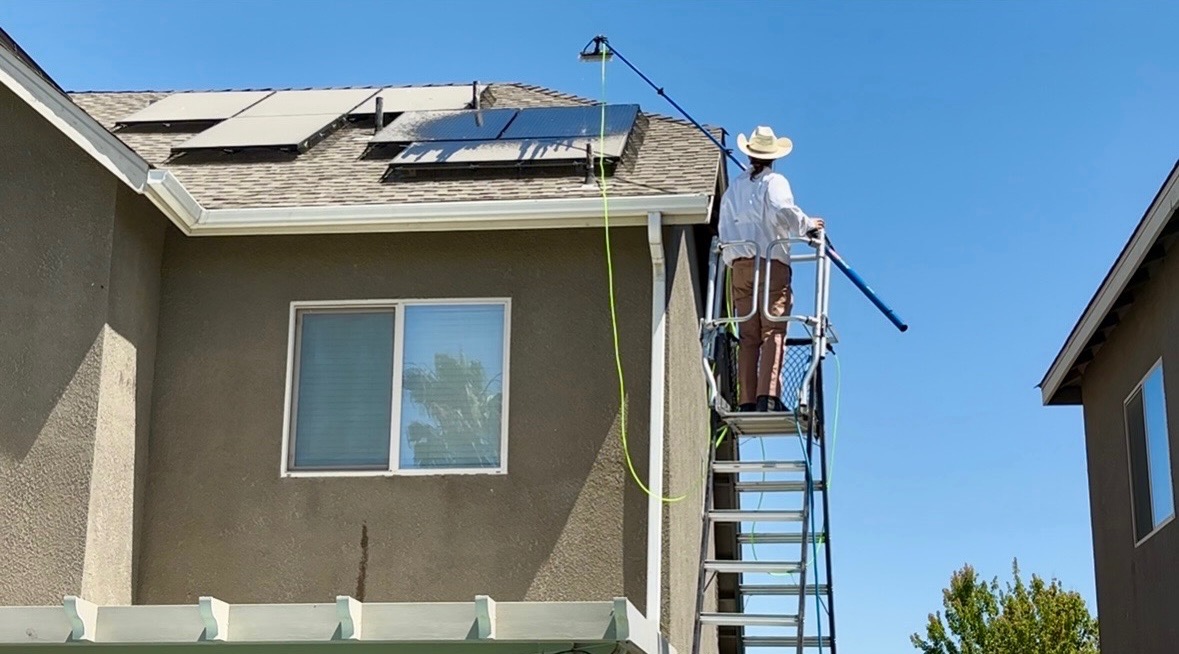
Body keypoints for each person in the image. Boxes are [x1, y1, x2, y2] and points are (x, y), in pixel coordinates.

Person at [718, 125, 825, 412]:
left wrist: (733, 258)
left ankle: (747, 400)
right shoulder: (774, 181)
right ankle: (769, 397)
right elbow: (781, 209)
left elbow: (724, 227)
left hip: (739, 266)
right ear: (773, 157)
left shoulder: (735, 189)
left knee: (748, 335)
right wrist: (808, 225)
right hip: (770, 262)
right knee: (773, 331)